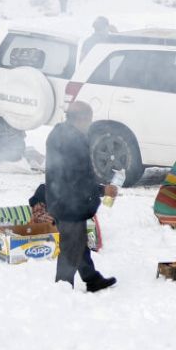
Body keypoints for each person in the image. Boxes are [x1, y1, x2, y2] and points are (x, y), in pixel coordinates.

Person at [45, 101, 117, 292]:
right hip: (70, 203)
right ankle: (62, 288)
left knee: (77, 242)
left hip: (58, 198)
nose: (89, 124)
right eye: (89, 119)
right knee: (71, 248)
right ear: (82, 118)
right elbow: (78, 178)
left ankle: (92, 279)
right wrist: (102, 190)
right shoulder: (73, 141)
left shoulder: (58, 133)